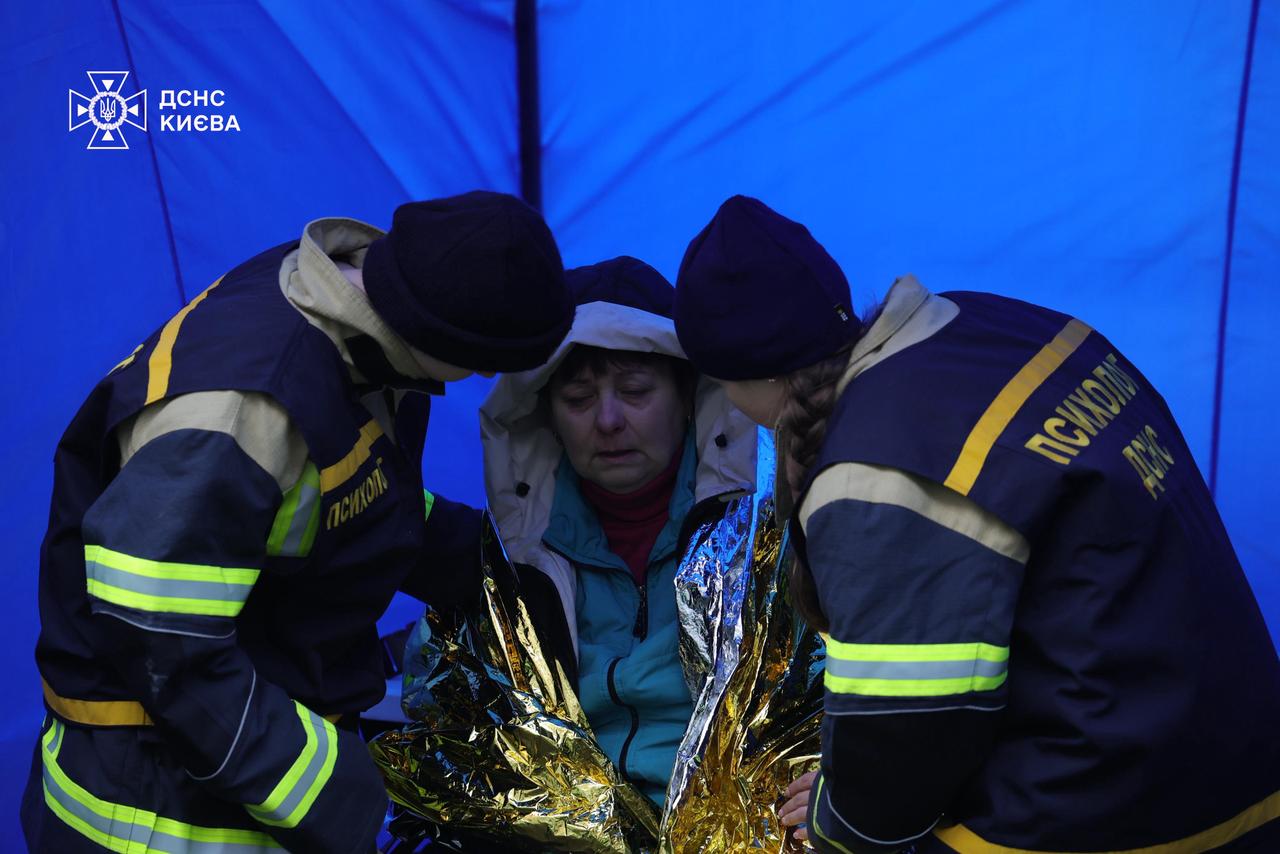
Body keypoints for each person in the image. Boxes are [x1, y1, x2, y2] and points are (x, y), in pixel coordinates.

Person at [671, 195, 1280, 853]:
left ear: (733, 378)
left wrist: (836, 818)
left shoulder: (874, 468)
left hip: (1122, 801)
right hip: (1236, 750)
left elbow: (910, 726)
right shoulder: (989, 328)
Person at [22, 191, 574, 853]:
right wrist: (339, 792)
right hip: (155, 815)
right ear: (441, 334)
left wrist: (476, 561)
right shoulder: (238, 410)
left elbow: (334, 498)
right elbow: (159, 642)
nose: (480, 377)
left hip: (241, 764)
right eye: (485, 361)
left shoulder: (355, 314)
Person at [467, 255, 755, 806]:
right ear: (546, 415)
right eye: (577, 400)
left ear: (689, 398)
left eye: (635, 391)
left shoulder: (761, 532)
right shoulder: (511, 551)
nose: (607, 421)